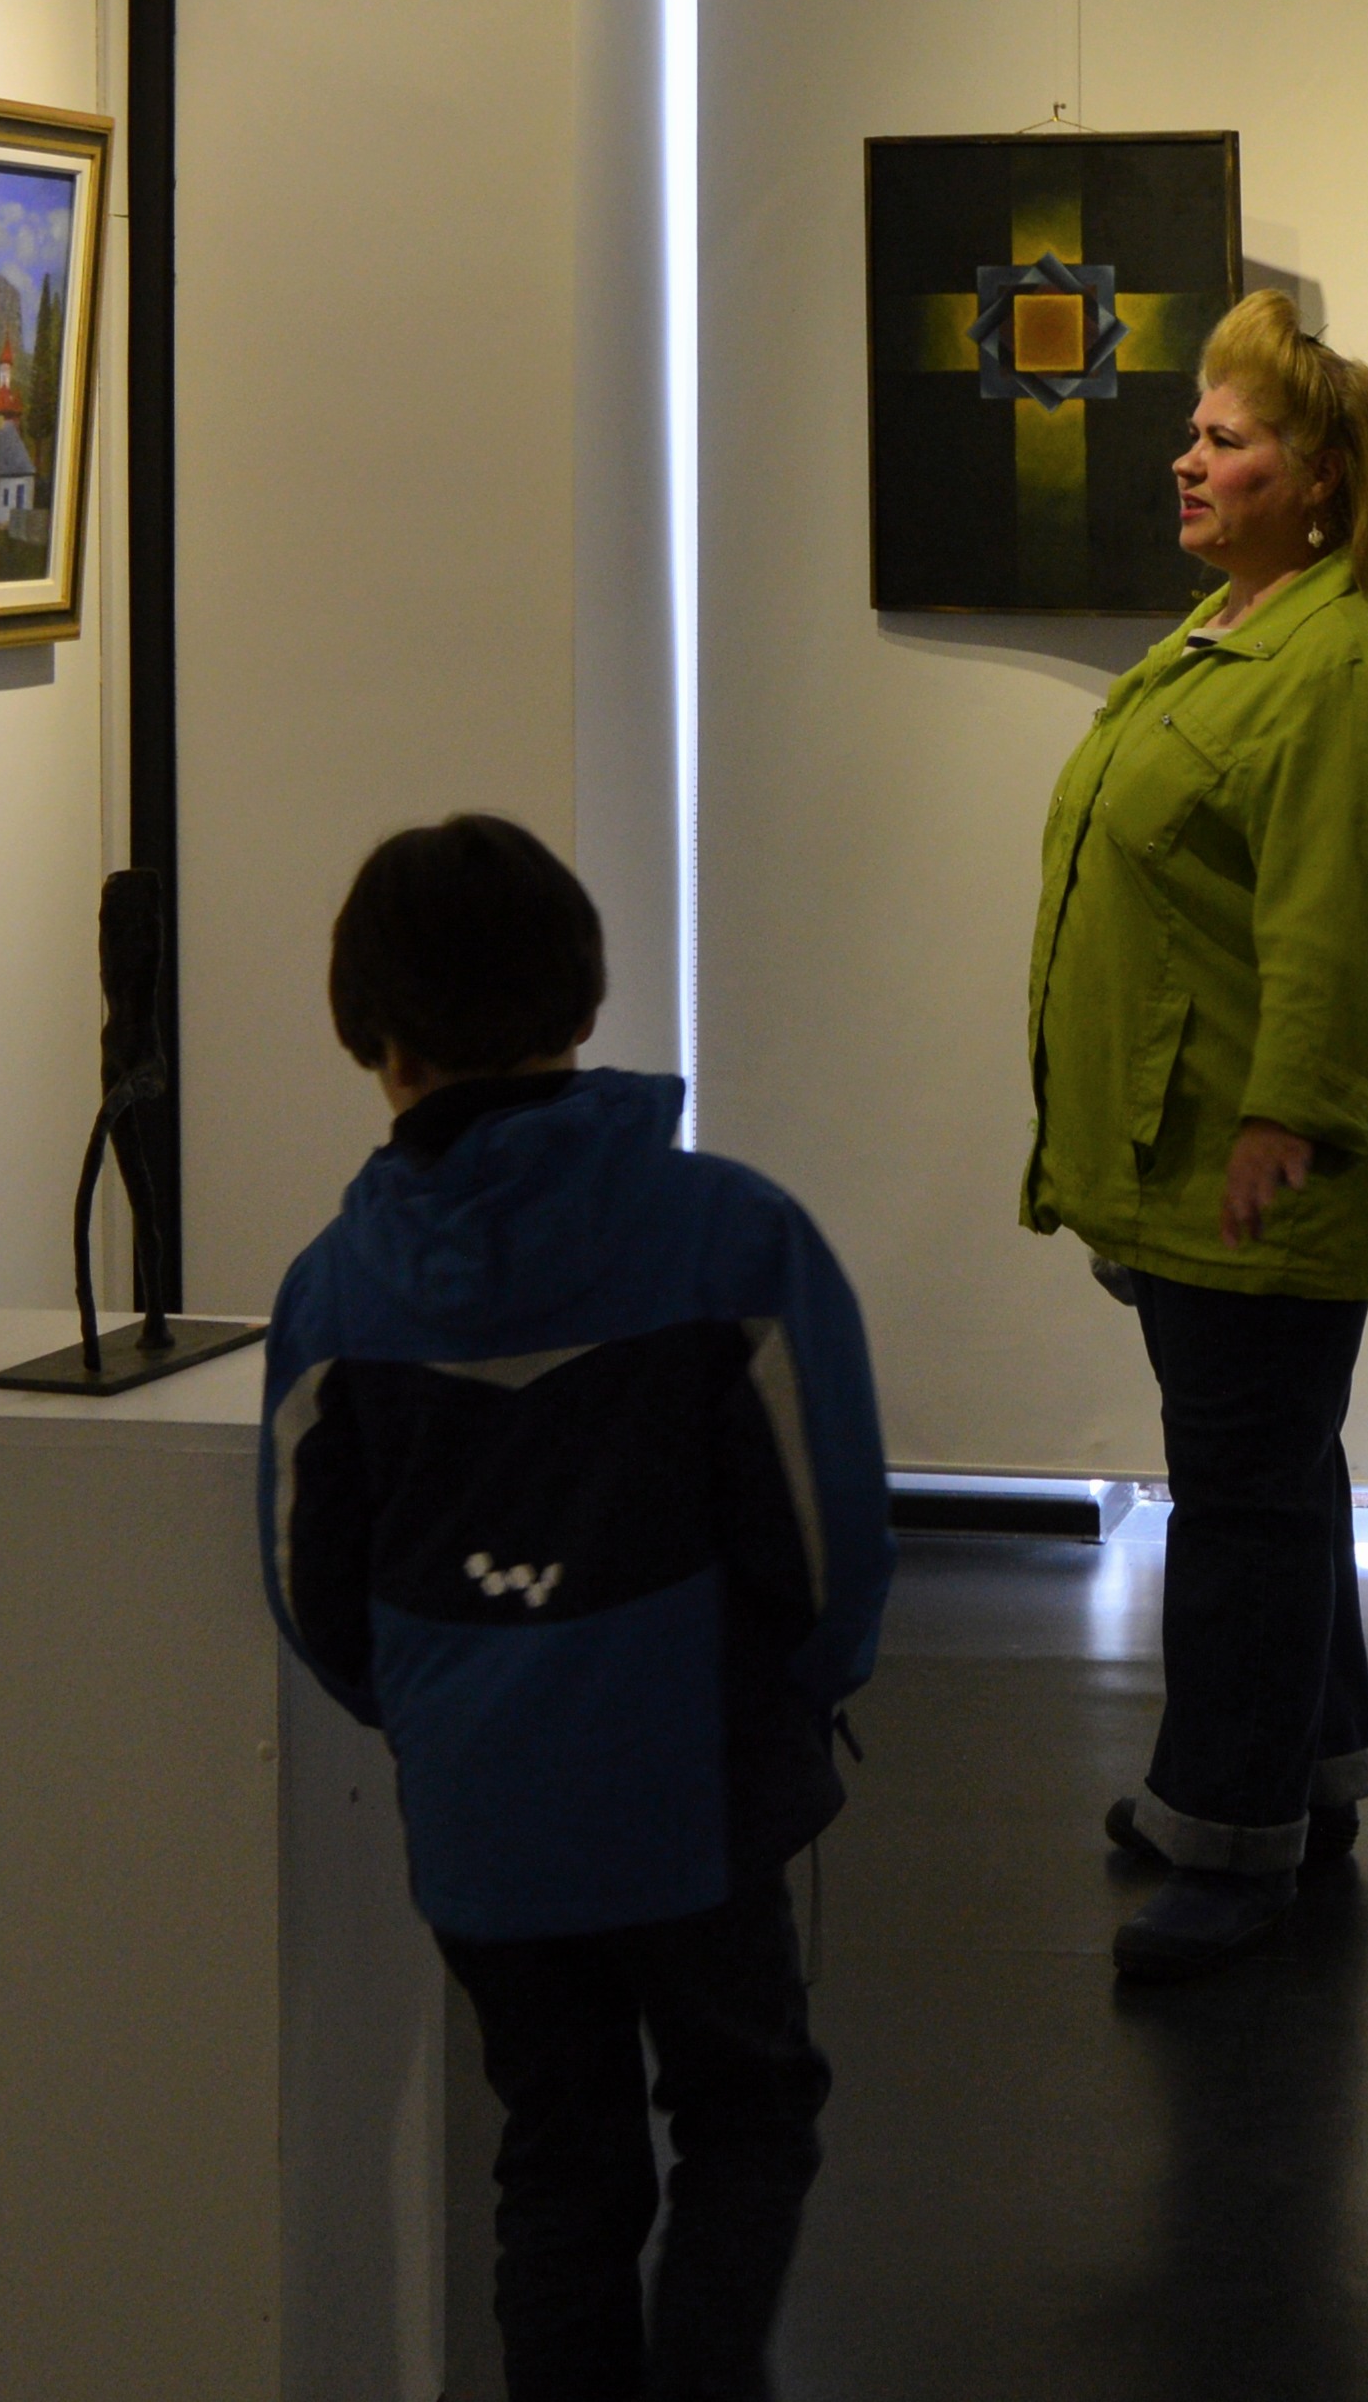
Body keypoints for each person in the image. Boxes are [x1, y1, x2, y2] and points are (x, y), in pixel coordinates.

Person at [258, 816, 894, 2402]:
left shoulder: (333, 1294)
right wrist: (798, 1694)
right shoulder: (732, 1235)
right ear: (582, 998)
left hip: (483, 1805)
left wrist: (442, 1705)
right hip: (700, 1788)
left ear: (376, 1040)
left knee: (559, 2154)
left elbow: (311, 1590)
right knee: (746, 2114)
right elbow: (833, 1545)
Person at [1025, 288, 1368, 1984]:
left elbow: (1334, 932)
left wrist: (1285, 1119)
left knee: (1240, 1503)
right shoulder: (1236, 632)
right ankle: (1308, 1776)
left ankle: (1229, 1833)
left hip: (1252, 1163)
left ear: (1320, 476)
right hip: (1190, 1145)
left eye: (1227, 438)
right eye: (1193, 433)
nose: (1187, 461)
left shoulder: (1340, 671)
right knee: (1278, 1472)